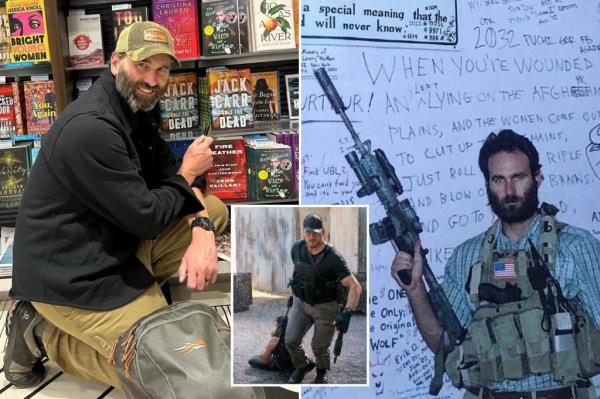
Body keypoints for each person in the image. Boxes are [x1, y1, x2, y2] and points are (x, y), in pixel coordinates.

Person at [4, 21, 228, 391]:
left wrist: (202, 227)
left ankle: (138, 300)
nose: (153, 80)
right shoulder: (91, 127)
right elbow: (149, 215)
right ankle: (42, 333)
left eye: (162, 69)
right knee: (164, 370)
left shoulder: (136, 109)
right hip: (71, 275)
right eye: (142, 66)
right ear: (115, 63)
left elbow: (170, 174)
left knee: (215, 210)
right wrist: (189, 172)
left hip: (114, 241)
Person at [391, 129, 600, 398]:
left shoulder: (576, 247)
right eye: (498, 180)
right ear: (487, 184)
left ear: (537, 178)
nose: (509, 191)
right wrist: (415, 289)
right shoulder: (467, 257)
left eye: (518, 177)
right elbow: (442, 343)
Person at [286, 213, 362, 384]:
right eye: (308, 232)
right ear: (303, 232)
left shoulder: (334, 258)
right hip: (302, 303)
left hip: (326, 307)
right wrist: (293, 297)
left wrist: (347, 313)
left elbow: (355, 286)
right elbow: (297, 274)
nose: (312, 237)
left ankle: (321, 372)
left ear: (323, 232)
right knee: (290, 340)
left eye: (316, 232)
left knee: (319, 347)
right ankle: (303, 365)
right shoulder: (297, 249)